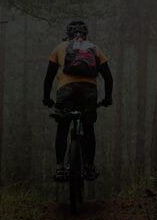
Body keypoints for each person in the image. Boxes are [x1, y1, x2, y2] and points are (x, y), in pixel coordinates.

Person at [43, 20, 113, 182]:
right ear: (86, 34)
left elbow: (49, 77)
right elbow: (108, 78)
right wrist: (108, 98)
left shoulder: (59, 48)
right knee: (88, 128)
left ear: (67, 34)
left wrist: (47, 97)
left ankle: (60, 167)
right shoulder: (94, 48)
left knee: (63, 126)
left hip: (66, 90)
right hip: (88, 91)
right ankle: (89, 166)